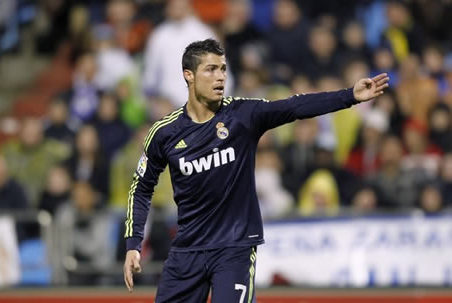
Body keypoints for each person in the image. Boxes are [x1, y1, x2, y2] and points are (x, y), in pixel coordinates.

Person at [123, 39, 389, 302]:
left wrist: (349, 96)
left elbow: (293, 106)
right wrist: (133, 244)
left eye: (223, 69)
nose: (220, 77)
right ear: (188, 76)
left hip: (234, 248)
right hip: (187, 251)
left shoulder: (242, 115)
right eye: (211, 69)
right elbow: (141, 187)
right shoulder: (164, 133)